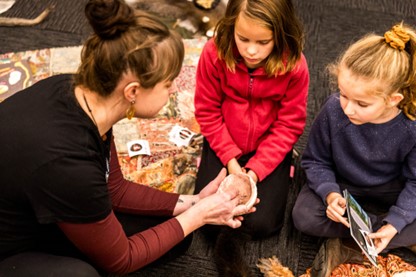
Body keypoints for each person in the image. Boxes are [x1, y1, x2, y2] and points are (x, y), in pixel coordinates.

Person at [0, 0, 255, 276]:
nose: (173, 92)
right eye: (168, 83)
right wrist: (201, 215)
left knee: (176, 236)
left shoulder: (79, 94)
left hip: (36, 208)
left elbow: (115, 189)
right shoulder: (69, 164)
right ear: (133, 91)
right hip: (8, 249)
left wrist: (193, 202)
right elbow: (121, 261)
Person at [292, 22, 416, 277]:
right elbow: (315, 161)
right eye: (343, 94)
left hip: (392, 188)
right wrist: (330, 196)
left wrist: (395, 222)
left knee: (404, 214)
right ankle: (376, 234)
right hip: (344, 184)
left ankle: (375, 231)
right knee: (303, 216)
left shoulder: (411, 125)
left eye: (362, 103)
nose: (348, 109)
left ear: (393, 99)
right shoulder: (334, 109)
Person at [193, 0, 309, 240]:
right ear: (231, 26)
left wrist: (254, 172)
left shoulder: (296, 66)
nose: (251, 51)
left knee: (263, 225)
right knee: (206, 219)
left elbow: (289, 125)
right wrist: (232, 162)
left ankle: (281, 169)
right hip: (223, 139)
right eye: (243, 39)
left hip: (269, 147)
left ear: (280, 34)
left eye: (263, 42)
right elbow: (207, 112)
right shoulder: (213, 53)